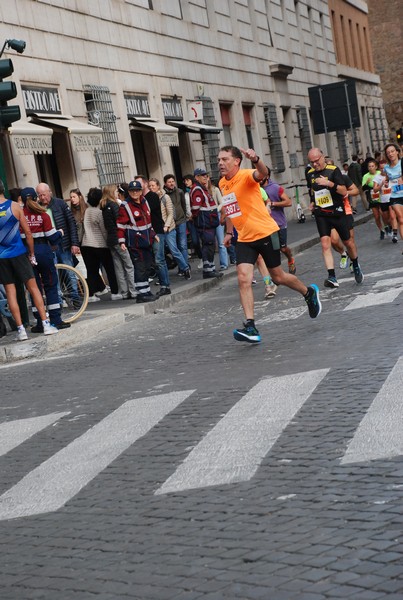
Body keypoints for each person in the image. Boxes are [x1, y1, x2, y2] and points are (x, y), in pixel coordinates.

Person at [218, 145, 321, 344]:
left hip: (266, 232)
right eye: (219, 160)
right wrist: (230, 232)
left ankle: (308, 292)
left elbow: (263, 173)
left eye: (224, 159)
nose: (220, 163)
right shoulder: (223, 183)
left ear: (236, 161)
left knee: (278, 276)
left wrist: (255, 158)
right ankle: (250, 326)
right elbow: (232, 208)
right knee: (243, 278)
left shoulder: (247, 175)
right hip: (245, 238)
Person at [0, 179, 58, 341]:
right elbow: (28, 232)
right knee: (33, 288)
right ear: (3, 189)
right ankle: (46, 324)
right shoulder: (14, 207)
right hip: (18, 252)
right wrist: (31, 253)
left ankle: (20, 330)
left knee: (10, 292)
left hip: (2, 256)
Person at [306, 148, 364, 288]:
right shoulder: (310, 174)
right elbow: (312, 191)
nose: (314, 164)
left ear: (322, 158)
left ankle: (355, 264)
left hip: (337, 212)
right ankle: (332, 276)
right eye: (311, 162)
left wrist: (329, 184)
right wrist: (313, 203)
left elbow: (344, 191)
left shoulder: (334, 170)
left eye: (316, 161)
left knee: (348, 242)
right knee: (325, 244)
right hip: (321, 214)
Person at [20, 187, 71, 331]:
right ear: (36, 198)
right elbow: (53, 238)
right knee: (50, 285)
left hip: (26, 254)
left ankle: (40, 322)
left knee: (33, 289)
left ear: (22, 201)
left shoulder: (19, 215)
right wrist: (60, 232)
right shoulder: (43, 215)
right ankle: (55, 319)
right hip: (43, 252)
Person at [117, 180, 157, 303]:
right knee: (139, 267)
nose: (135, 192)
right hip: (135, 242)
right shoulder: (126, 205)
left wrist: (153, 234)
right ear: (129, 192)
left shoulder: (144, 201)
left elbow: (149, 220)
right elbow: (120, 225)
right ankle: (141, 294)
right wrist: (122, 242)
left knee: (146, 266)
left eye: (137, 190)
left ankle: (146, 290)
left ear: (140, 191)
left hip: (146, 240)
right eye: (132, 191)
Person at [81, 187, 121, 302]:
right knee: (109, 269)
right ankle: (114, 292)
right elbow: (104, 230)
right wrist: (108, 242)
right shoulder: (99, 213)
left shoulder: (87, 211)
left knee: (91, 271)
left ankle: (91, 295)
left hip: (86, 244)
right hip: (100, 244)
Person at [100, 184, 137, 300]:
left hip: (110, 240)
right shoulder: (114, 205)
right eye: (116, 191)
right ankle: (133, 291)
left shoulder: (104, 206)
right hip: (118, 239)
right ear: (111, 192)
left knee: (118, 267)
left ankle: (125, 292)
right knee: (128, 265)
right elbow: (120, 222)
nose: (117, 192)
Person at [262, 168, 296, 275]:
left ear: (267, 176)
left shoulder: (275, 188)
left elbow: (288, 202)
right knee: (272, 250)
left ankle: (290, 259)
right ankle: (278, 273)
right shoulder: (255, 188)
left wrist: (273, 204)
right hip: (266, 226)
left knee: (283, 248)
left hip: (279, 223)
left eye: (261, 175)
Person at [190, 168, 223, 279]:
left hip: (209, 222)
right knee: (208, 245)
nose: (205, 177)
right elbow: (195, 208)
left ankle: (211, 268)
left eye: (206, 175)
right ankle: (208, 270)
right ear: (196, 177)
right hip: (205, 223)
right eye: (202, 175)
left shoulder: (202, 188)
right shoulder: (197, 190)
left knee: (210, 245)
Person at [163, 174, 189, 272]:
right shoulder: (163, 195)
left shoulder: (180, 192)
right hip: (170, 223)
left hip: (181, 220)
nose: (171, 183)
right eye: (169, 182)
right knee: (174, 246)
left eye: (173, 181)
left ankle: (184, 269)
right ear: (165, 183)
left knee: (183, 245)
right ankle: (182, 265)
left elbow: (183, 205)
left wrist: (184, 216)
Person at [379, 143, 403, 245]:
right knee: (401, 219)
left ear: (397, 152)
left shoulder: (402, 163)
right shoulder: (386, 168)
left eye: (392, 151)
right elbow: (387, 177)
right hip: (394, 196)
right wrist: (386, 182)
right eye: (388, 152)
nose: (390, 154)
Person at [207, 175, 228, 270]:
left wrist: (215, 210)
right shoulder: (201, 191)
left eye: (206, 178)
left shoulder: (215, 189)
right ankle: (211, 265)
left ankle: (224, 264)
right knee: (210, 242)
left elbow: (222, 202)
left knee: (221, 241)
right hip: (207, 218)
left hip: (217, 215)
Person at [362, 160, 386, 239]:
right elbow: (362, 188)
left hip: (381, 195)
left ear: (376, 167)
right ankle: (381, 230)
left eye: (372, 166)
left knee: (383, 213)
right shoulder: (366, 176)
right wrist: (366, 183)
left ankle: (386, 226)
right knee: (376, 216)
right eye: (369, 166)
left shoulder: (380, 173)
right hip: (372, 197)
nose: (371, 168)